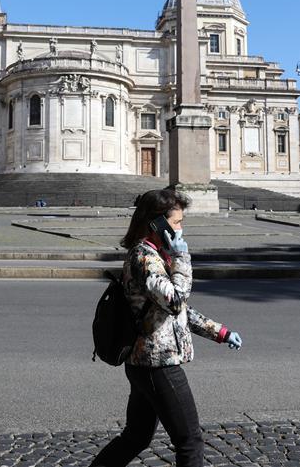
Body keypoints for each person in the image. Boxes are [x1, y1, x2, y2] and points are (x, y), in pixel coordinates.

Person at [90, 189, 243, 467]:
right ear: (156, 224)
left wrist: (219, 332)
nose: (182, 229)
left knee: (136, 436)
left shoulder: (155, 256)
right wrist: (183, 258)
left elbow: (176, 311)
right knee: (190, 442)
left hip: (144, 362)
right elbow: (175, 302)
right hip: (157, 363)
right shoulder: (145, 259)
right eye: (177, 223)